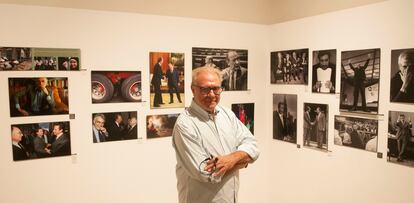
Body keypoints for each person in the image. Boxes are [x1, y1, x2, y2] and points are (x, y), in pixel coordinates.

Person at [172, 66, 259, 203]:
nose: (212, 94)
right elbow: (205, 172)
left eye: (216, 89)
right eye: (205, 89)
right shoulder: (185, 125)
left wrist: (231, 159)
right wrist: (241, 161)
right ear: (193, 89)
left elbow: (253, 146)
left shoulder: (227, 114)